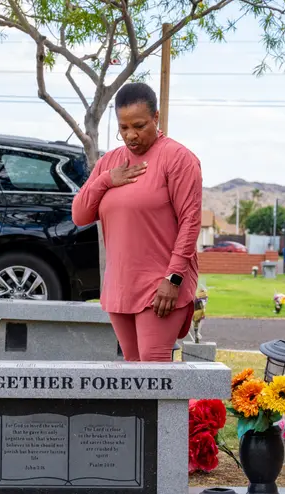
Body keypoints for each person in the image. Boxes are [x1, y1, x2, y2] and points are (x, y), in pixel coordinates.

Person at [72, 82, 202, 362]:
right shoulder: (111, 162)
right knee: (133, 375)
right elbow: (80, 214)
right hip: (120, 285)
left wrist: (173, 278)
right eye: (124, 128)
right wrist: (106, 180)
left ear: (156, 118)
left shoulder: (178, 159)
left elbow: (190, 224)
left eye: (140, 125)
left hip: (161, 285)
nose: (131, 135)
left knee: (153, 371)